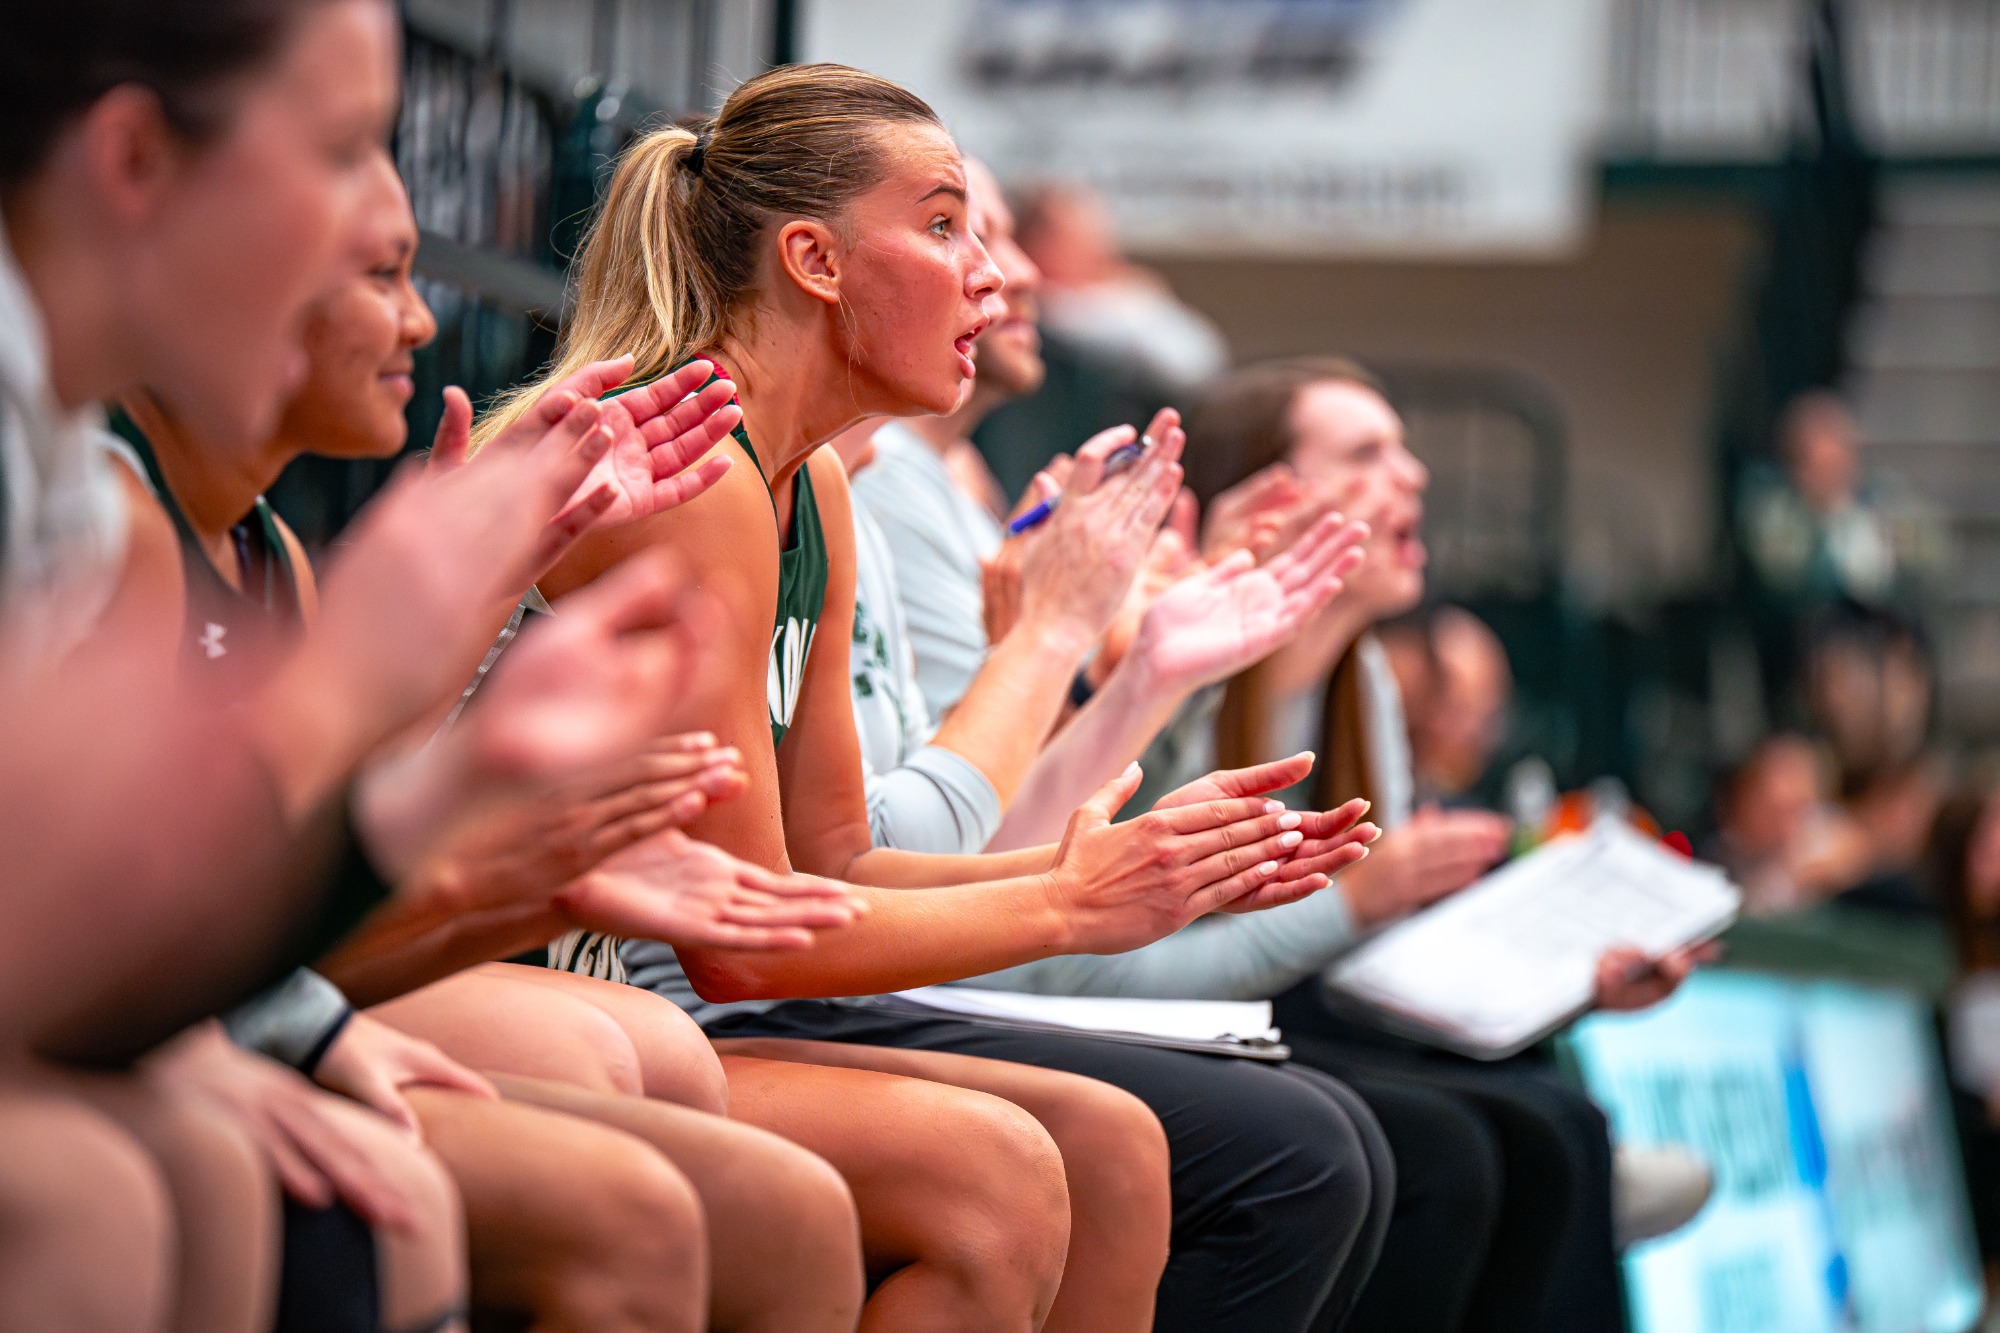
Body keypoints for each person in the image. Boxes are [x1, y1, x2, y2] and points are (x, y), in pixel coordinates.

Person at [485, 63, 1392, 1332]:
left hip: (640, 1007)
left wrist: (1115, 870)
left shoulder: (813, 492)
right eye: (942, 223)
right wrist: (1068, 904)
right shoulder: (698, 470)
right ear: (812, 259)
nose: (991, 273)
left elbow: (832, 858)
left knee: (1117, 1150)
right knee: (1000, 1177)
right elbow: (740, 943)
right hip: (514, 998)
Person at [116, 153, 870, 1333]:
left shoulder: (275, 552)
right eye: (383, 274)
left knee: (785, 1207)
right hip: (161, 1035)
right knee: (647, 1168)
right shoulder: (124, 524)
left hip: (250, 1004)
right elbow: (188, 918)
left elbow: (304, 863)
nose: (424, 318)